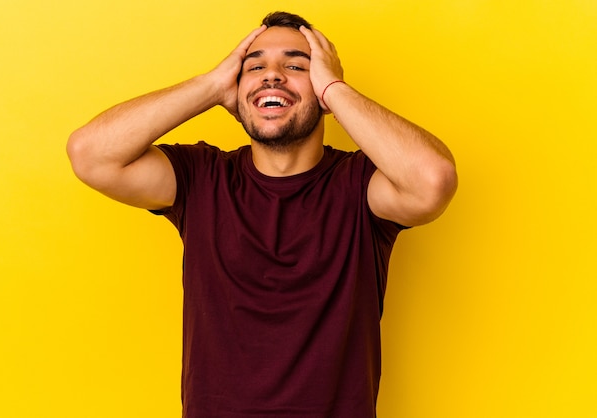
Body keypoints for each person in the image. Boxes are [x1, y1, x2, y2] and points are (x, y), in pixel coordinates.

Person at [67, 11, 457, 418]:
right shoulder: (203, 178)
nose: (272, 76)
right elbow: (91, 155)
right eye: (254, 67)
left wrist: (336, 90)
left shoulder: (360, 186)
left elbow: (433, 180)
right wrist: (213, 85)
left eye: (295, 65)